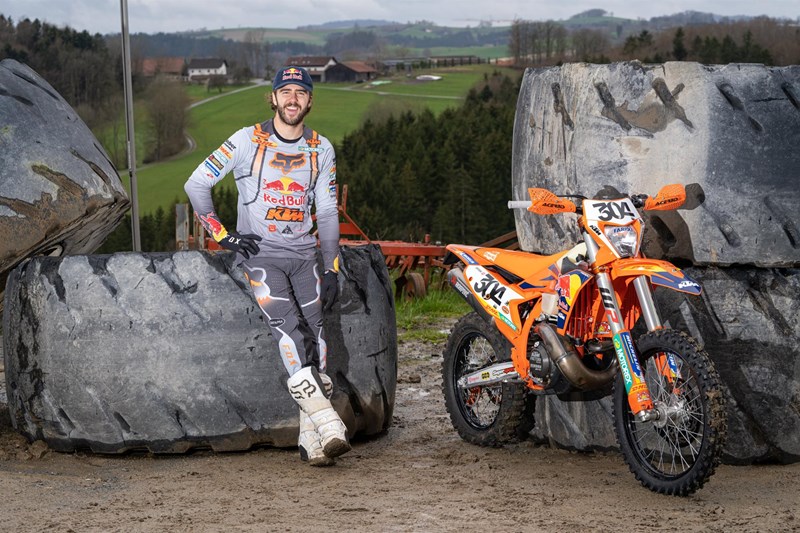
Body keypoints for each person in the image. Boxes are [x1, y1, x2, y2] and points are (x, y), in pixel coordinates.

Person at [184, 65, 349, 467]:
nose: (293, 99)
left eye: (300, 92)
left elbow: (328, 211)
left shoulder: (321, 148)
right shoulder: (246, 139)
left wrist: (331, 267)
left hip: (305, 255)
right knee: (289, 330)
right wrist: (223, 236)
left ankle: (311, 441)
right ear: (273, 98)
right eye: (285, 91)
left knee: (317, 337)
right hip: (261, 256)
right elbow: (196, 183)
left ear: (310, 101)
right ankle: (329, 423)